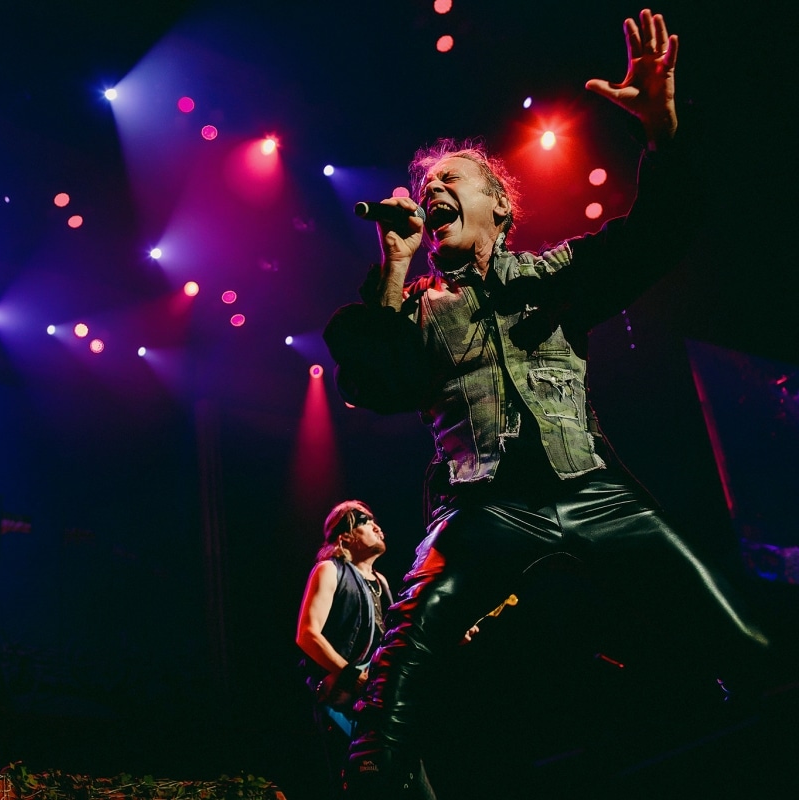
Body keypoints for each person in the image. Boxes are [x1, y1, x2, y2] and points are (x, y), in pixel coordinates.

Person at [322, 9, 769, 798]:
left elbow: (658, 233)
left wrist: (662, 127)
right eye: (427, 189)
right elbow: (374, 383)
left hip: (594, 491)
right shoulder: (419, 306)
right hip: (483, 505)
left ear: (500, 206)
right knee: (410, 644)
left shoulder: (556, 274)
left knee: (734, 638)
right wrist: (391, 266)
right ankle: (374, 779)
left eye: (451, 182)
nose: (432, 191)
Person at [296, 500, 394, 799]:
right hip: (338, 702)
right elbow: (307, 634)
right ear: (345, 536)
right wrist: (352, 675)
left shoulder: (382, 583)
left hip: (373, 706)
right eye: (366, 521)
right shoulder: (329, 570)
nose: (378, 527)